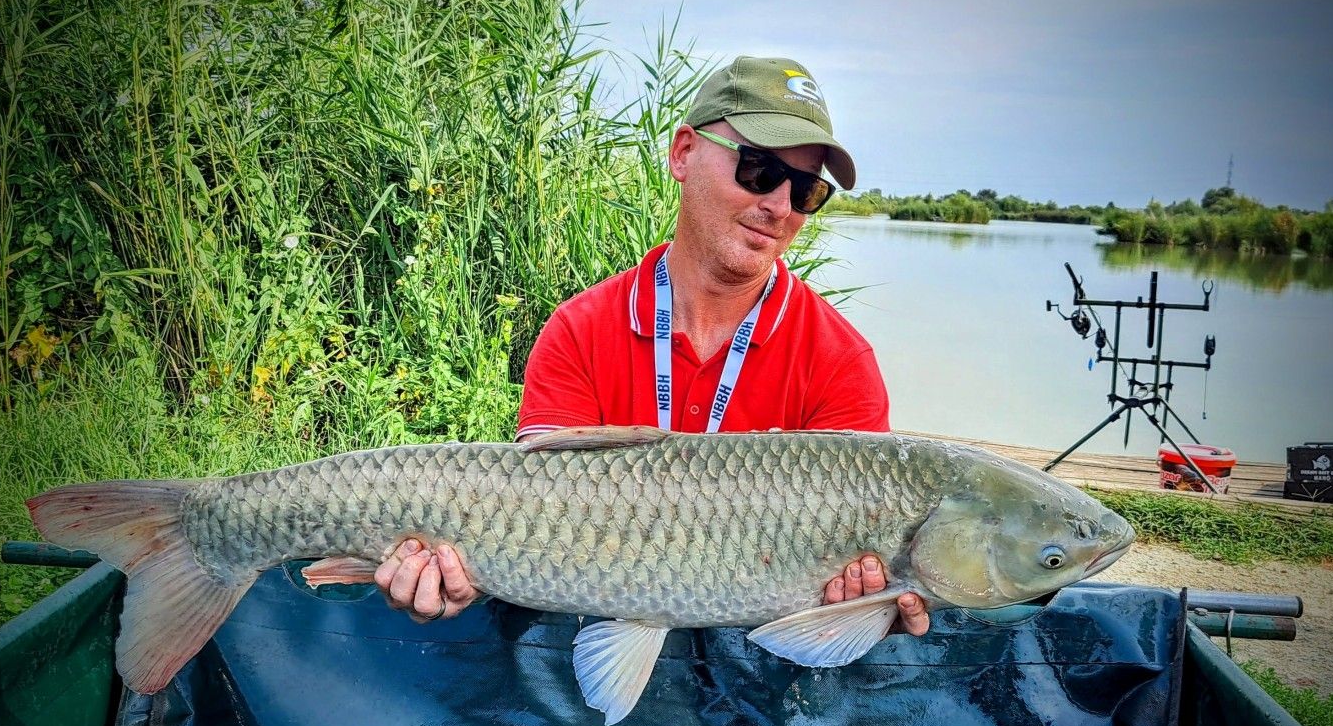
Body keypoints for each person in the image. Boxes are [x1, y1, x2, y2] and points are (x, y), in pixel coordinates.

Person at [374, 56, 930, 637]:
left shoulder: (840, 361)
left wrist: (864, 611)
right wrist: (454, 576)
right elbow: (535, 521)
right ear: (683, 152)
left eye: (807, 190)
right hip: (593, 623)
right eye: (760, 171)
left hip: (755, 671)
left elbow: (858, 598)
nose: (781, 208)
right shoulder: (579, 330)